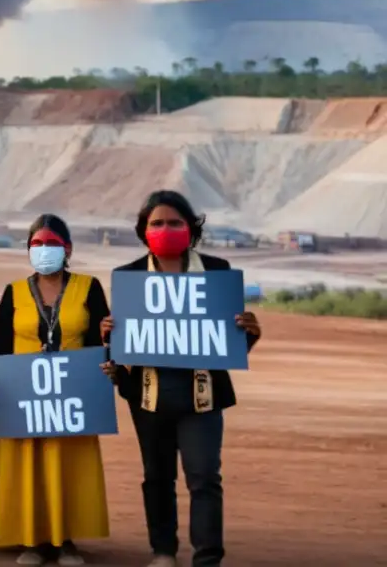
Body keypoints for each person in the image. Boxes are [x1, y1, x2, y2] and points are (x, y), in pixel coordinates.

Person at [103, 190, 262, 567]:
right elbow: (122, 348)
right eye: (157, 223)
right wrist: (109, 334)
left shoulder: (217, 272)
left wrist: (249, 333)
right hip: (149, 395)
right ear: (144, 230)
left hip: (201, 397)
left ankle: (206, 558)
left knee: (204, 476)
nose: (166, 229)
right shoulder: (129, 278)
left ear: (191, 229)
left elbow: (225, 344)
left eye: (175, 222)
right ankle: (163, 552)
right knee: (157, 477)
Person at [0, 214, 111, 567]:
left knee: (66, 464)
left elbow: (105, 342)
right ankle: (33, 540)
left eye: (51, 244)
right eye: (36, 244)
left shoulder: (88, 287)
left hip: (72, 396)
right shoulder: (15, 292)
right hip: (25, 396)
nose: (43, 250)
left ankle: (66, 540)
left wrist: (108, 359)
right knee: (29, 464)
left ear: (67, 248)